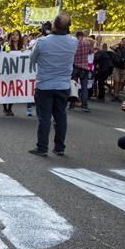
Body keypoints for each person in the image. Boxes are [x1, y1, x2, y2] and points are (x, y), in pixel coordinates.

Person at [28, 12, 77, 157]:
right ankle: (59, 147)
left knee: (44, 118)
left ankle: (42, 147)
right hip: (63, 85)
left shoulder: (43, 42)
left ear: (53, 25)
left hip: (45, 85)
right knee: (61, 117)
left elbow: (32, 59)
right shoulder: (73, 41)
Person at [69, 30, 93, 113]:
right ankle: (84, 106)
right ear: (82, 35)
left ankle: (72, 104)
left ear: (76, 35)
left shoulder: (74, 43)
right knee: (84, 88)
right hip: (84, 68)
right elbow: (91, 52)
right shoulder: (87, 43)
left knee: (73, 86)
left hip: (75, 67)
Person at [2, 29, 23, 116]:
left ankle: (10, 108)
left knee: (13, 91)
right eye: (13, 35)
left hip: (17, 72)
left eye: (17, 35)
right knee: (6, 90)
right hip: (7, 72)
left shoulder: (22, 46)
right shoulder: (7, 45)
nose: (15, 36)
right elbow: (3, 55)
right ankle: (5, 108)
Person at [110, 37, 125, 102]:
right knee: (116, 81)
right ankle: (115, 95)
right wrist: (118, 43)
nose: (124, 43)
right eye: (123, 42)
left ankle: (117, 95)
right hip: (116, 67)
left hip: (124, 67)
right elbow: (111, 46)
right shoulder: (118, 48)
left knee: (121, 82)